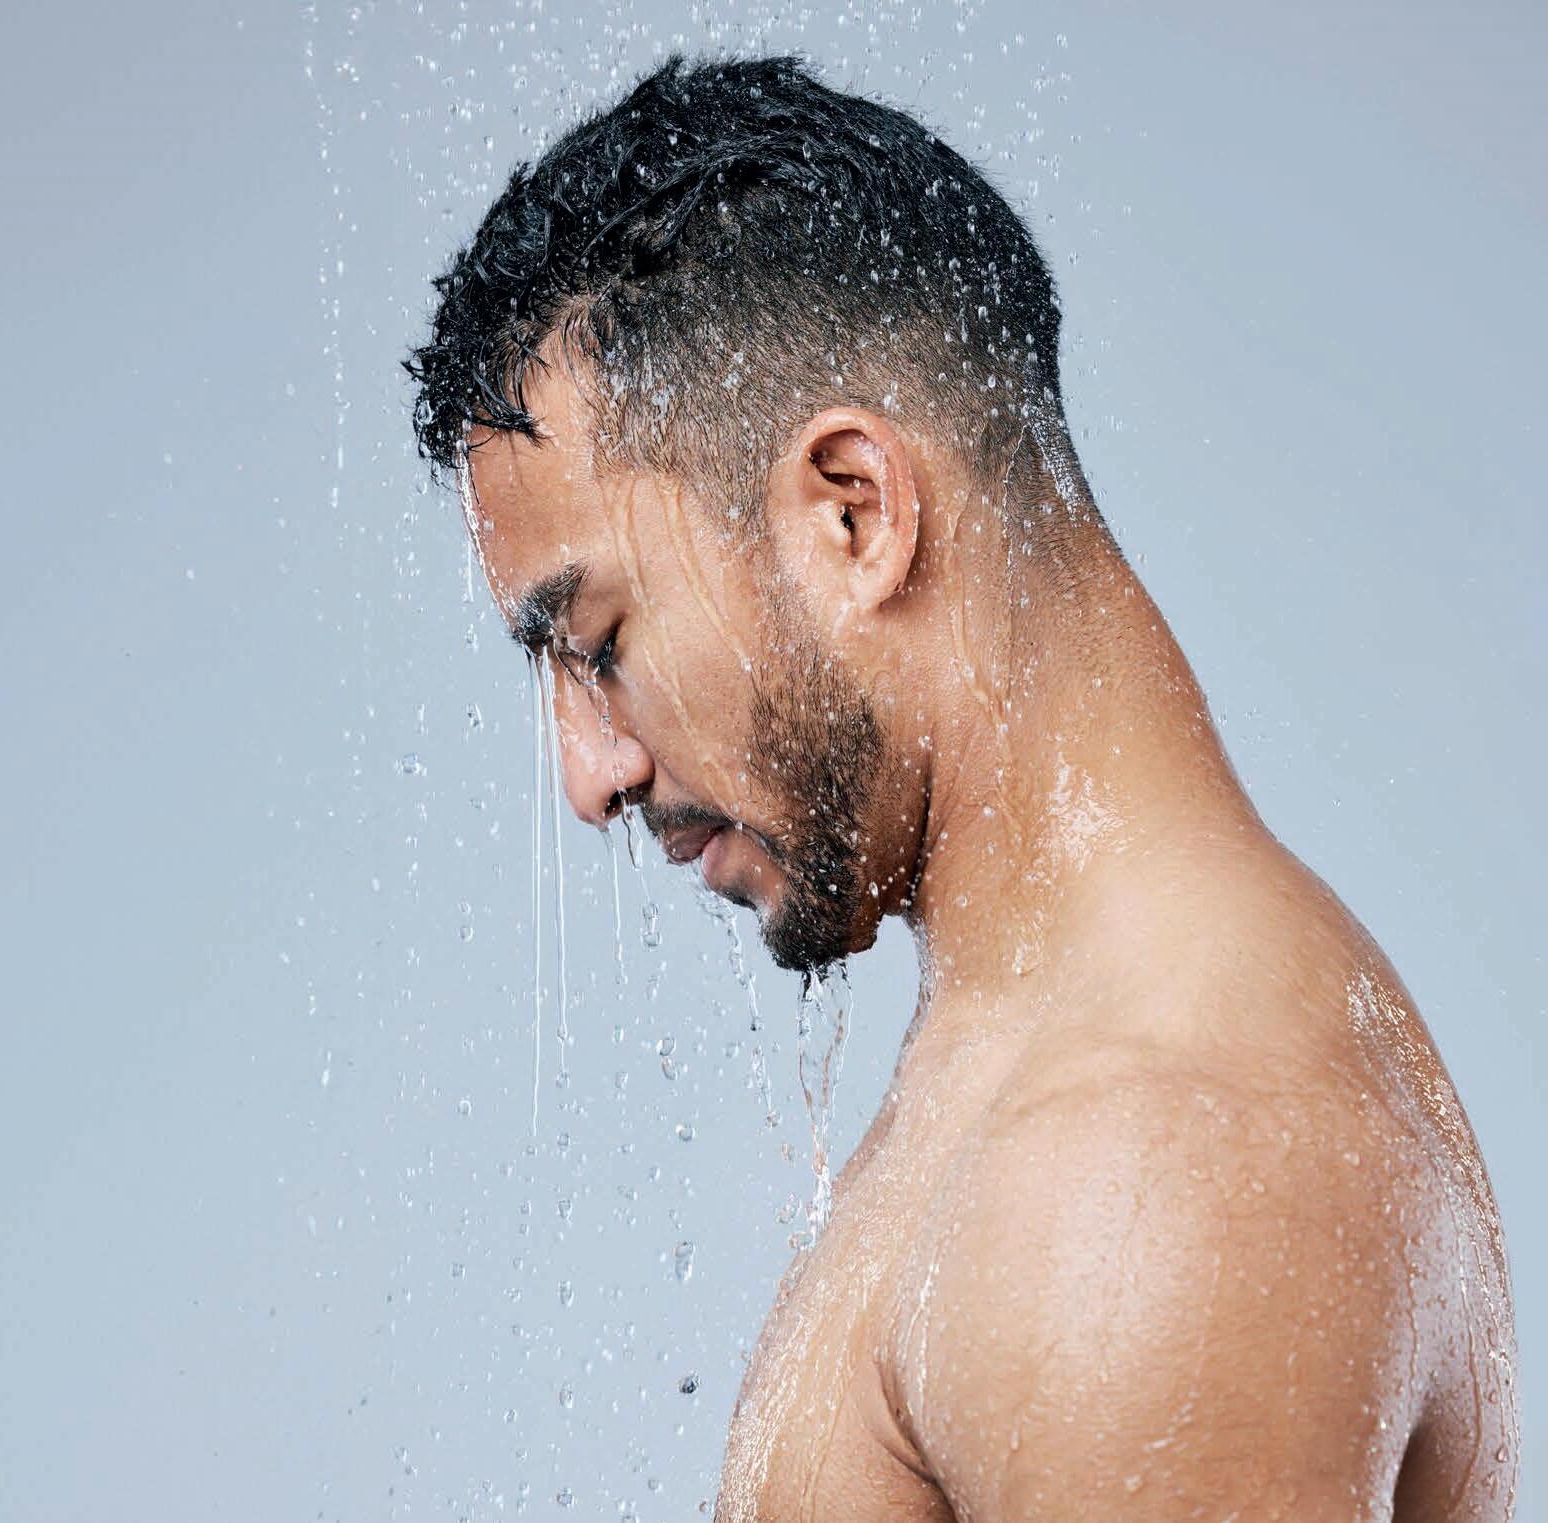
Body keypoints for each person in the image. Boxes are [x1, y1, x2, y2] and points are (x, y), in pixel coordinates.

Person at [403, 54, 1519, 1521]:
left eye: (599, 642)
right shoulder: (1048, 1074)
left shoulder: (1143, 1163)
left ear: (853, 515)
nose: (591, 776)